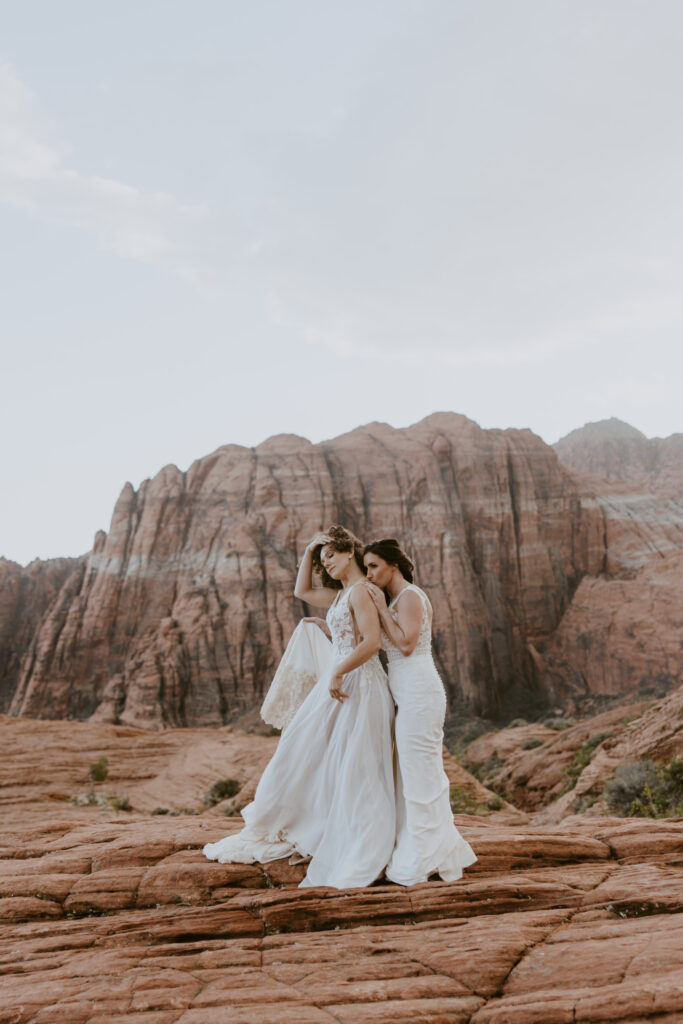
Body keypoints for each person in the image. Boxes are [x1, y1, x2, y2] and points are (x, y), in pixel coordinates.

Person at [203, 526, 396, 889]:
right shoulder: (340, 594)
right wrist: (311, 551)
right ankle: (314, 821)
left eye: (332, 557)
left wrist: (338, 669)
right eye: (325, 561)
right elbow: (301, 591)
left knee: (353, 762)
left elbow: (371, 644)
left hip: (357, 684)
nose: (329, 565)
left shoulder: (361, 593)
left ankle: (351, 833)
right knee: (307, 751)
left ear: (349, 552)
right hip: (339, 682)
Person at [363, 538, 477, 885]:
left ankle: (426, 856)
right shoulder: (397, 598)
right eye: (365, 567)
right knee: (415, 773)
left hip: (420, 692)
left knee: (420, 774)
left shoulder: (409, 596)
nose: (369, 574)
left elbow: (407, 644)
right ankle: (436, 849)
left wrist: (382, 609)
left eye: (373, 566)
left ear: (392, 566)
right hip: (407, 693)